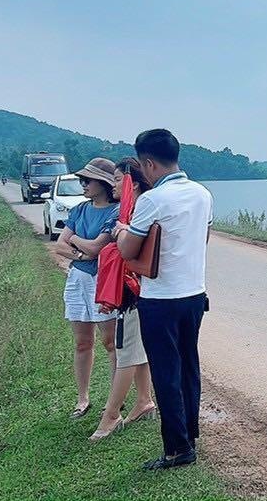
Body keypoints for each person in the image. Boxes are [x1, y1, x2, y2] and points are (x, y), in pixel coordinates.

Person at [115, 129, 213, 471]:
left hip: (160, 300)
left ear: (148, 163)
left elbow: (128, 250)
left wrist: (120, 231)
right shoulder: (203, 194)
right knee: (188, 367)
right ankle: (189, 435)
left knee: (166, 372)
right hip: (194, 295)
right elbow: (202, 238)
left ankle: (177, 449)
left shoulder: (152, 200)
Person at [89, 157, 157, 441]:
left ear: (132, 182)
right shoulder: (135, 209)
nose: (113, 185)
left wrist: (121, 232)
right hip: (138, 290)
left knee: (126, 352)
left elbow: (129, 250)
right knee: (136, 349)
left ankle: (111, 414)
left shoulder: (139, 211)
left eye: (117, 179)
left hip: (135, 291)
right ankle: (144, 400)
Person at [53, 157, 121, 420]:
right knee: (82, 343)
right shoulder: (80, 209)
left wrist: (75, 240)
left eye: (87, 180)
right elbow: (60, 246)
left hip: (103, 280)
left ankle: (114, 399)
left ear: (103, 183)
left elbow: (96, 249)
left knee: (110, 342)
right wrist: (82, 252)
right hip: (78, 279)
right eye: (82, 180)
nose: (83, 184)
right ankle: (82, 399)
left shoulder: (116, 212)